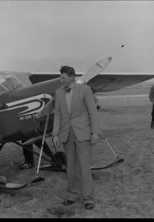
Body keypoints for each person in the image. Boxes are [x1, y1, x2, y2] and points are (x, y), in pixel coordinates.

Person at [52, 66, 99, 210]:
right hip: (67, 135)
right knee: (71, 168)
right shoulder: (59, 93)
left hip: (83, 134)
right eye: (60, 77)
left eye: (63, 78)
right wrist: (55, 134)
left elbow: (93, 112)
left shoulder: (85, 90)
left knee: (85, 168)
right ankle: (72, 195)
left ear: (72, 77)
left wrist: (94, 132)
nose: (61, 80)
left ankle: (88, 199)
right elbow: (58, 115)